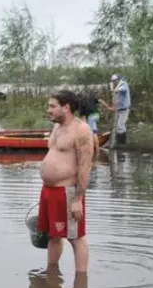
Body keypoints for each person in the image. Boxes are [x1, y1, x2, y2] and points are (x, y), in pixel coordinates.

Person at [37, 91, 94, 273]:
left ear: (66, 107)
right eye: (49, 106)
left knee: (76, 238)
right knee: (53, 235)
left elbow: (86, 167)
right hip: (49, 191)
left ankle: (80, 284)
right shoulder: (56, 127)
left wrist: (78, 199)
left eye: (53, 106)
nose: (49, 110)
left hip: (67, 192)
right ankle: (51, 274)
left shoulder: (81, 130)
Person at [99, 73, 131, 146]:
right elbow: (115, 99)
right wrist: (112, 107)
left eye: (115, 80)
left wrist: (115, 89)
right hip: (118, 109)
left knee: (120, 125)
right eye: (113, 81)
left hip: (124, 109)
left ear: (118, 80)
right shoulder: (115, 86)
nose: (114, 82)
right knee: (118, 126)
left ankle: (122, 143)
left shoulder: (123, 84)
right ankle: (121, 143)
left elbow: (122, 89)